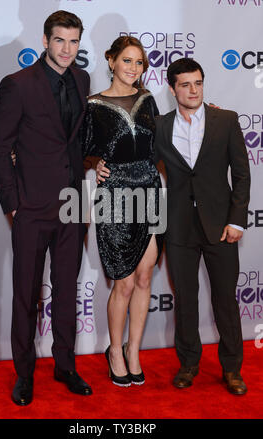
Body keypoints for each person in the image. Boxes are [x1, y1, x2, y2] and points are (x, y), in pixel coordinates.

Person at [98, 57, 250, 395]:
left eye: (198, 83)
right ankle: (189, 364)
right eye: (185, 84)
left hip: (221, 225)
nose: (193, 90)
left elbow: (241, 175)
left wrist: (237, 219)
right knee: (185, 299)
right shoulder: (160, 126)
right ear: (172, 88)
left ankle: (232, 369)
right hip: (178, 225)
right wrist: (101, 164)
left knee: (225, 299)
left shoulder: (225, 120)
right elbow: (134, 158)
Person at [0, 10, 92, 406]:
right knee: (25, 293)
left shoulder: (82, 80)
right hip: (31, 206)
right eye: (61, 40)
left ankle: (65, 365)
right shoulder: (17, 85)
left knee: (67, 291)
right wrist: (13, 203)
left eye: (74, 41)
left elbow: (75, 143)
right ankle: (25, 373)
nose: (68, 49)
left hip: (71, 204)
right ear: (46, 40)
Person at [82, 36, 164, 387]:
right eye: (127, 61)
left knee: (145, 277)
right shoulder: (93, 104)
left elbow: (165, 142)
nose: (133, 68)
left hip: (149, 191)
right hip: (114, 196)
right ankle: (114, 350)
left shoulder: (148, 100)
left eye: (139, 63)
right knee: (125, 282)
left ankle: (134, 351)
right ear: (111, 60)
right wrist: (96, 163)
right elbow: (79, 146)